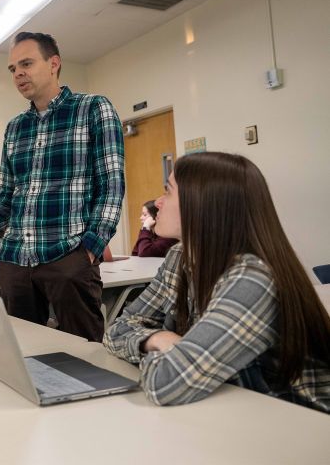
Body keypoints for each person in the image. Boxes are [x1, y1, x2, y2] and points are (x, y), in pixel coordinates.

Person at [104, 152, 330, 413]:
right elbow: (116, 330)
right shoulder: (181, 256)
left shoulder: (252, 280)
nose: (158, 201)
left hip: (302, 424)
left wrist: (165, 352)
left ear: (203, 205)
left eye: (168, 191)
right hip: (238, 409)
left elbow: (166, 383)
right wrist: (158, 338)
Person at [0, 32, 125, 342]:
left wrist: (91, 248)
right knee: (23, 353)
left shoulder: (92, 108)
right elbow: (6, 200)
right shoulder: (15, 127)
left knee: (85, 354)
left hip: (68, 254)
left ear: (54, 63)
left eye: (26, 63)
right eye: (13, 69)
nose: (18, 74)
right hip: (15, 260)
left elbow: (111, 186)